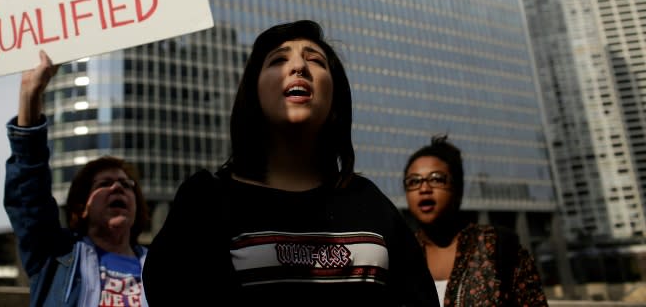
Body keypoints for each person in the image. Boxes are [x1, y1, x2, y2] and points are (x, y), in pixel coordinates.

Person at [143, 20, 438, 306]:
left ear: (335, 100)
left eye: (316, 61)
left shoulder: (371, 203)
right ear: (253, 95)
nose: (298, 67)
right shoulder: (204, 201)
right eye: (278, 60)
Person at [4, 50, 150, 307]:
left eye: (127, 185)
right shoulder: (57, 255)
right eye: (104, 184)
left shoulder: (163, 268)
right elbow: (29, 194)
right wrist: (29, 94)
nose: (118, 186)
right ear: (82, 208)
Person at [403, 134, 548, 306]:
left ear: (458, 189)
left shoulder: (498, 247)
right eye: (414, 181)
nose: (424, 188)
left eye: (436, 179)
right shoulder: (401, 257)